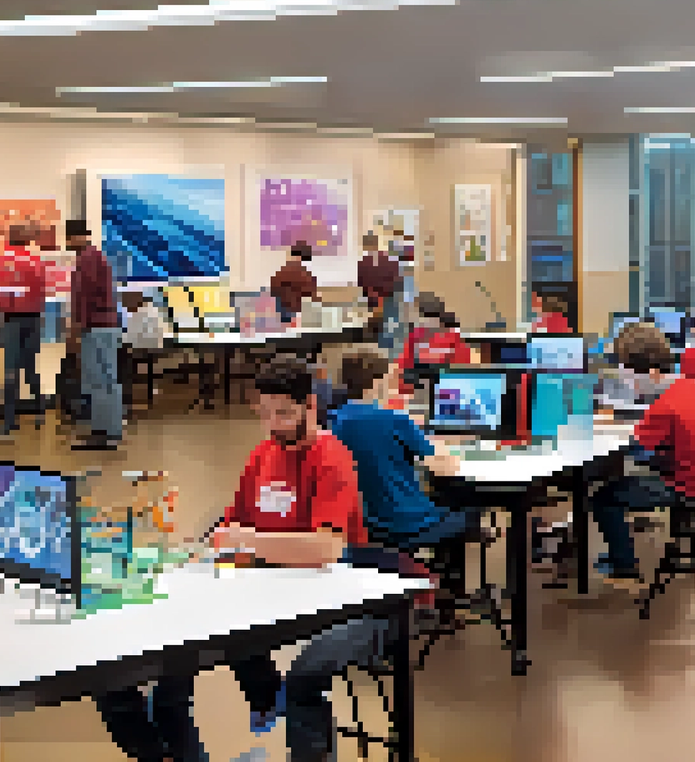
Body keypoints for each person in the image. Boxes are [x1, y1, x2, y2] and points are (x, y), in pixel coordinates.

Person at [93, 356, 420, 762]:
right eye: (265, 414)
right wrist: (198, 547)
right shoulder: (262, 454)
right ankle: (188, 734)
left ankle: (275, 706)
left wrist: (248, 539)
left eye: (284, 413)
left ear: (310, 407)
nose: (273, 424)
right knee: (160, 680)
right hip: (261, 590)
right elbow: (229, 529)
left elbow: (325, 549)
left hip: (330, 593)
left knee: (303, 676)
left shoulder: (332, 458)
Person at [331, 349, 480, 604]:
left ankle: (427, 585)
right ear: (377, 382)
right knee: (468, 507)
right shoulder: (394, 420)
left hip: (367, 522)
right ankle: (450, 595)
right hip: (407, 521)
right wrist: (445, 448)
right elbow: (444, 468)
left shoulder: (336, 420)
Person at [591, 323, 695, 590]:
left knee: (604, 497)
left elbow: (636, 448)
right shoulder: (690, 387)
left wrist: (607, 430)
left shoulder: (665, 406)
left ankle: (624, 566)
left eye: (629, 376)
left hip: (684, 484)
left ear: (651, 372)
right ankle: (618, 552)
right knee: (619, 477)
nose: (628, 382)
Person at [66, 220, 123, 450]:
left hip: (96, 327)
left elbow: (84, 296)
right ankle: (110, 430)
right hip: (103, 327)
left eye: (69, 238)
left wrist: (75, 329)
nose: (67, 243)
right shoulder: (95, 257)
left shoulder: (87, 259)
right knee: (106, 379)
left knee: (100, 381)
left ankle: (104, 434)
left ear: (79, 237)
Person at [0, 222, 48, 441]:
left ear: (9, 239)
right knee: (31, 367)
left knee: (11, 371)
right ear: (26, 239)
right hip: (33, 318)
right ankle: (40, 410)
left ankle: (9, 421)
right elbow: (42, 289)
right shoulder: (36, 261)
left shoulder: (0, 261)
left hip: (12, 319)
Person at [396, 293, 473, 394]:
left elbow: (461, 374)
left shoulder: (454, 340)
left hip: (445, 395)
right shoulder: (414, 337)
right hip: (416, 395)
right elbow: (403, 370)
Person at [357, 233, 401, 347]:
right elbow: (396, 280)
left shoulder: (362, 263)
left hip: (375, 300)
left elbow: (361, 283)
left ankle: (376, 351)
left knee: (377, 330)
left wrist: (373, 293)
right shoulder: (390, 260)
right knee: (388, 329)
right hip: (387, 298)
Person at [270, 241, 319, 324]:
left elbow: (274, 288)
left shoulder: (284, 271)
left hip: (283, 309)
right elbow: (309, 290)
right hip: (293, 310)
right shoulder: (300, 273)